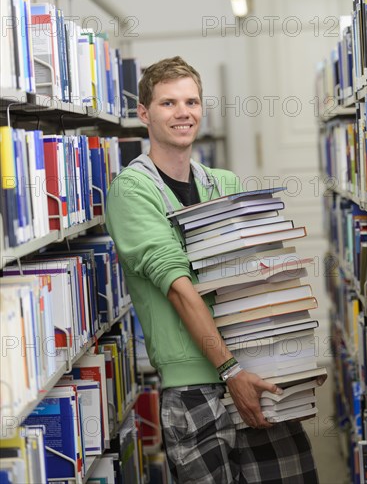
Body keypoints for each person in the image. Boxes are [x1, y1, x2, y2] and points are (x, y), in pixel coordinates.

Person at [106, 56, 318, 483]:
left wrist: (296, 359)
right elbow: (178, 288)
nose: (183, 113)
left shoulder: (225, 184)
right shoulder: (131, 191)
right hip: (195, 387)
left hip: (259, 370)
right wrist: (230, 371)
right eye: (168, 103)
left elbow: (258, 279)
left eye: (191, 101)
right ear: (144, 113)